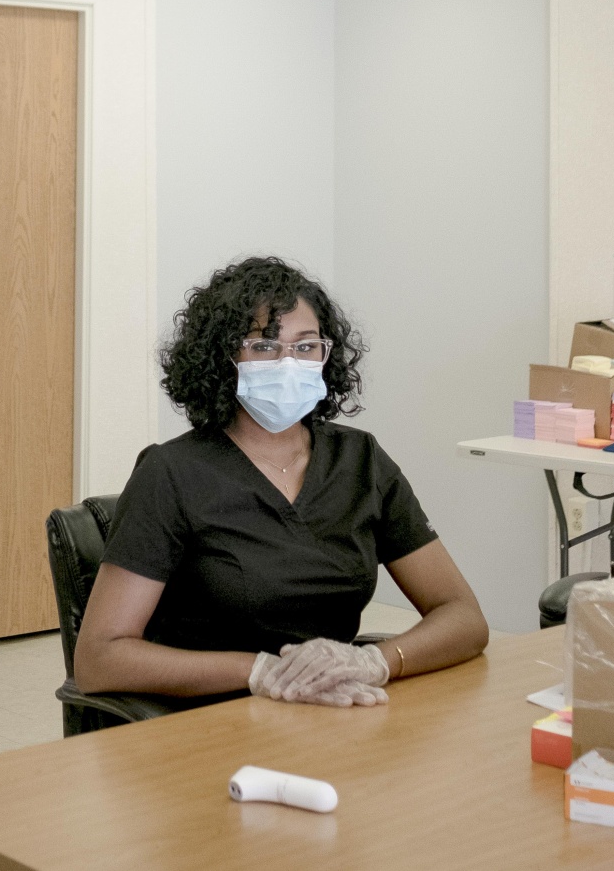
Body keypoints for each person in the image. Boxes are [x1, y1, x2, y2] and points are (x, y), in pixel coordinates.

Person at [73, 256, 488, 708]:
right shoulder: (171, 473)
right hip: (208, 717)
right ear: (224, 357)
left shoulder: (360, 460)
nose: (289, 363)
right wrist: (258, 671)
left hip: (333, 709)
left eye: (306, 347)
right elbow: (99, 659)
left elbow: (464, 617)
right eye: (264, 347)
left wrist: (376, 662)